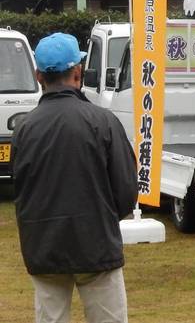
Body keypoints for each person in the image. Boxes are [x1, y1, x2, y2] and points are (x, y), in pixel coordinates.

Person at [10, 32, 138, 323]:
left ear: (38, 75)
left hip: (44, 247)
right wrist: (104, 219)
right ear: (78, 72)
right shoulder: (104, 122)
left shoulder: (24, 129)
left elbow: (21, 188)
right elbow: (127, 190)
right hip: (97, 246)